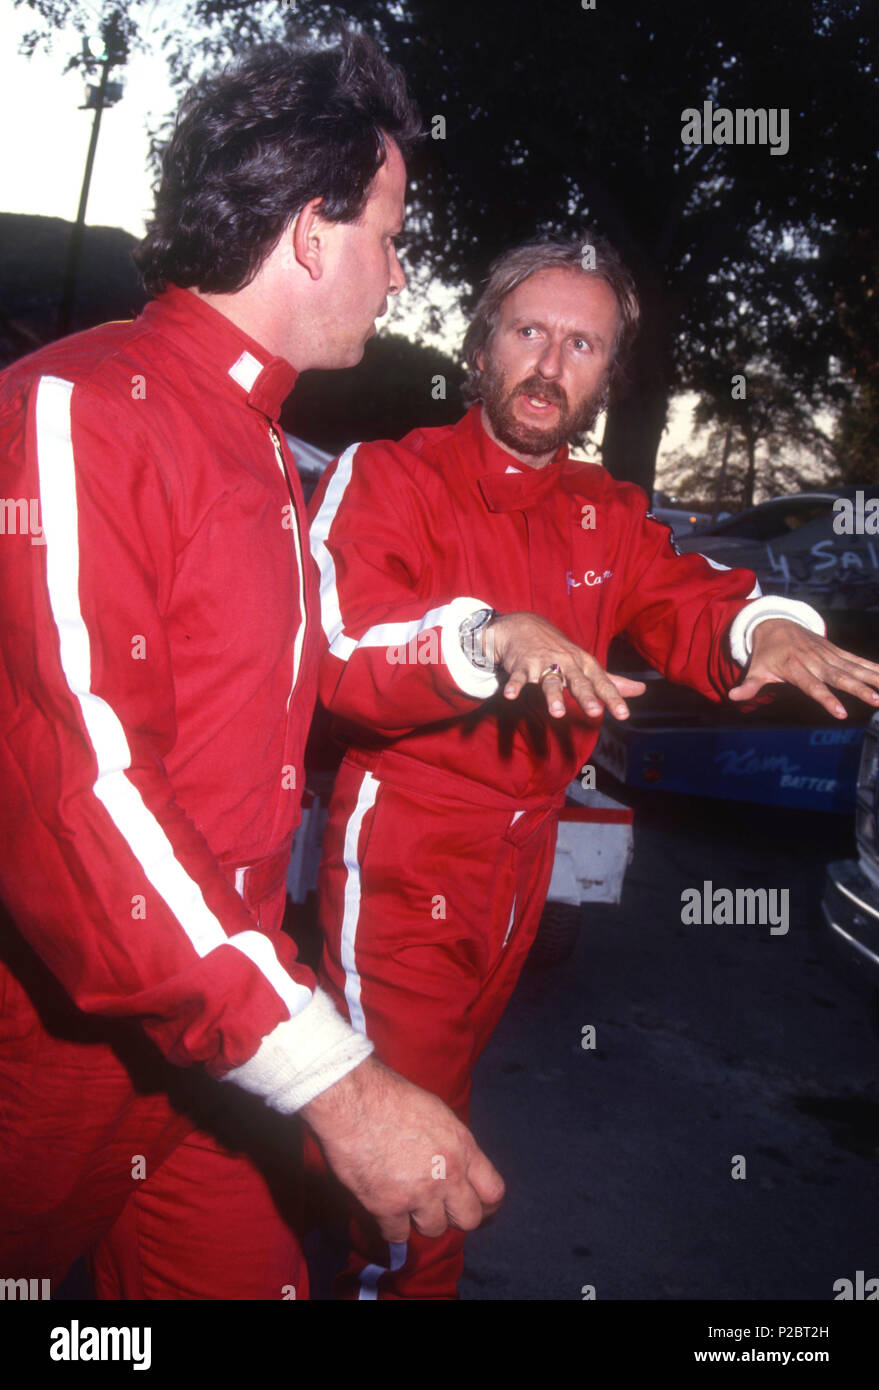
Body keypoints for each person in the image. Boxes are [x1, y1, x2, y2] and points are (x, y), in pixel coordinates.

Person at [0, 33, 503, 1303]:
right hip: (55, 1059)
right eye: (390, 233)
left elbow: (321, 655)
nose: (399, 273)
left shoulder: (267, 449)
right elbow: (85, 792)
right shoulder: (75, 411)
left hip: (214, 1052)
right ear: (313, 230)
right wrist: (330, 1075)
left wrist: (480, 642)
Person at [308, 234, 879, 1299]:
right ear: (479, 348)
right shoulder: (388, 475)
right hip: (406, 857)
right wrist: (487, 636)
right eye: (528, 330)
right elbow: (344, 649)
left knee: (425, 1106)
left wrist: (764, 631)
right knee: (410, 1157)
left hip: (523, 870)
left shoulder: (608, 511)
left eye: (583, 344)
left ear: (608, 378)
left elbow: (687, 595)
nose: (549, 362)